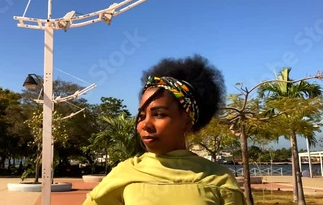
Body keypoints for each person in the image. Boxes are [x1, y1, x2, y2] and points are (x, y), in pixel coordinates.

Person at [83, 54, 246, 204]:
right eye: (141, 116)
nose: (145, 124)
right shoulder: (124, 173)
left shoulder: (220, 180)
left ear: (187, 122)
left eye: (159, 114)